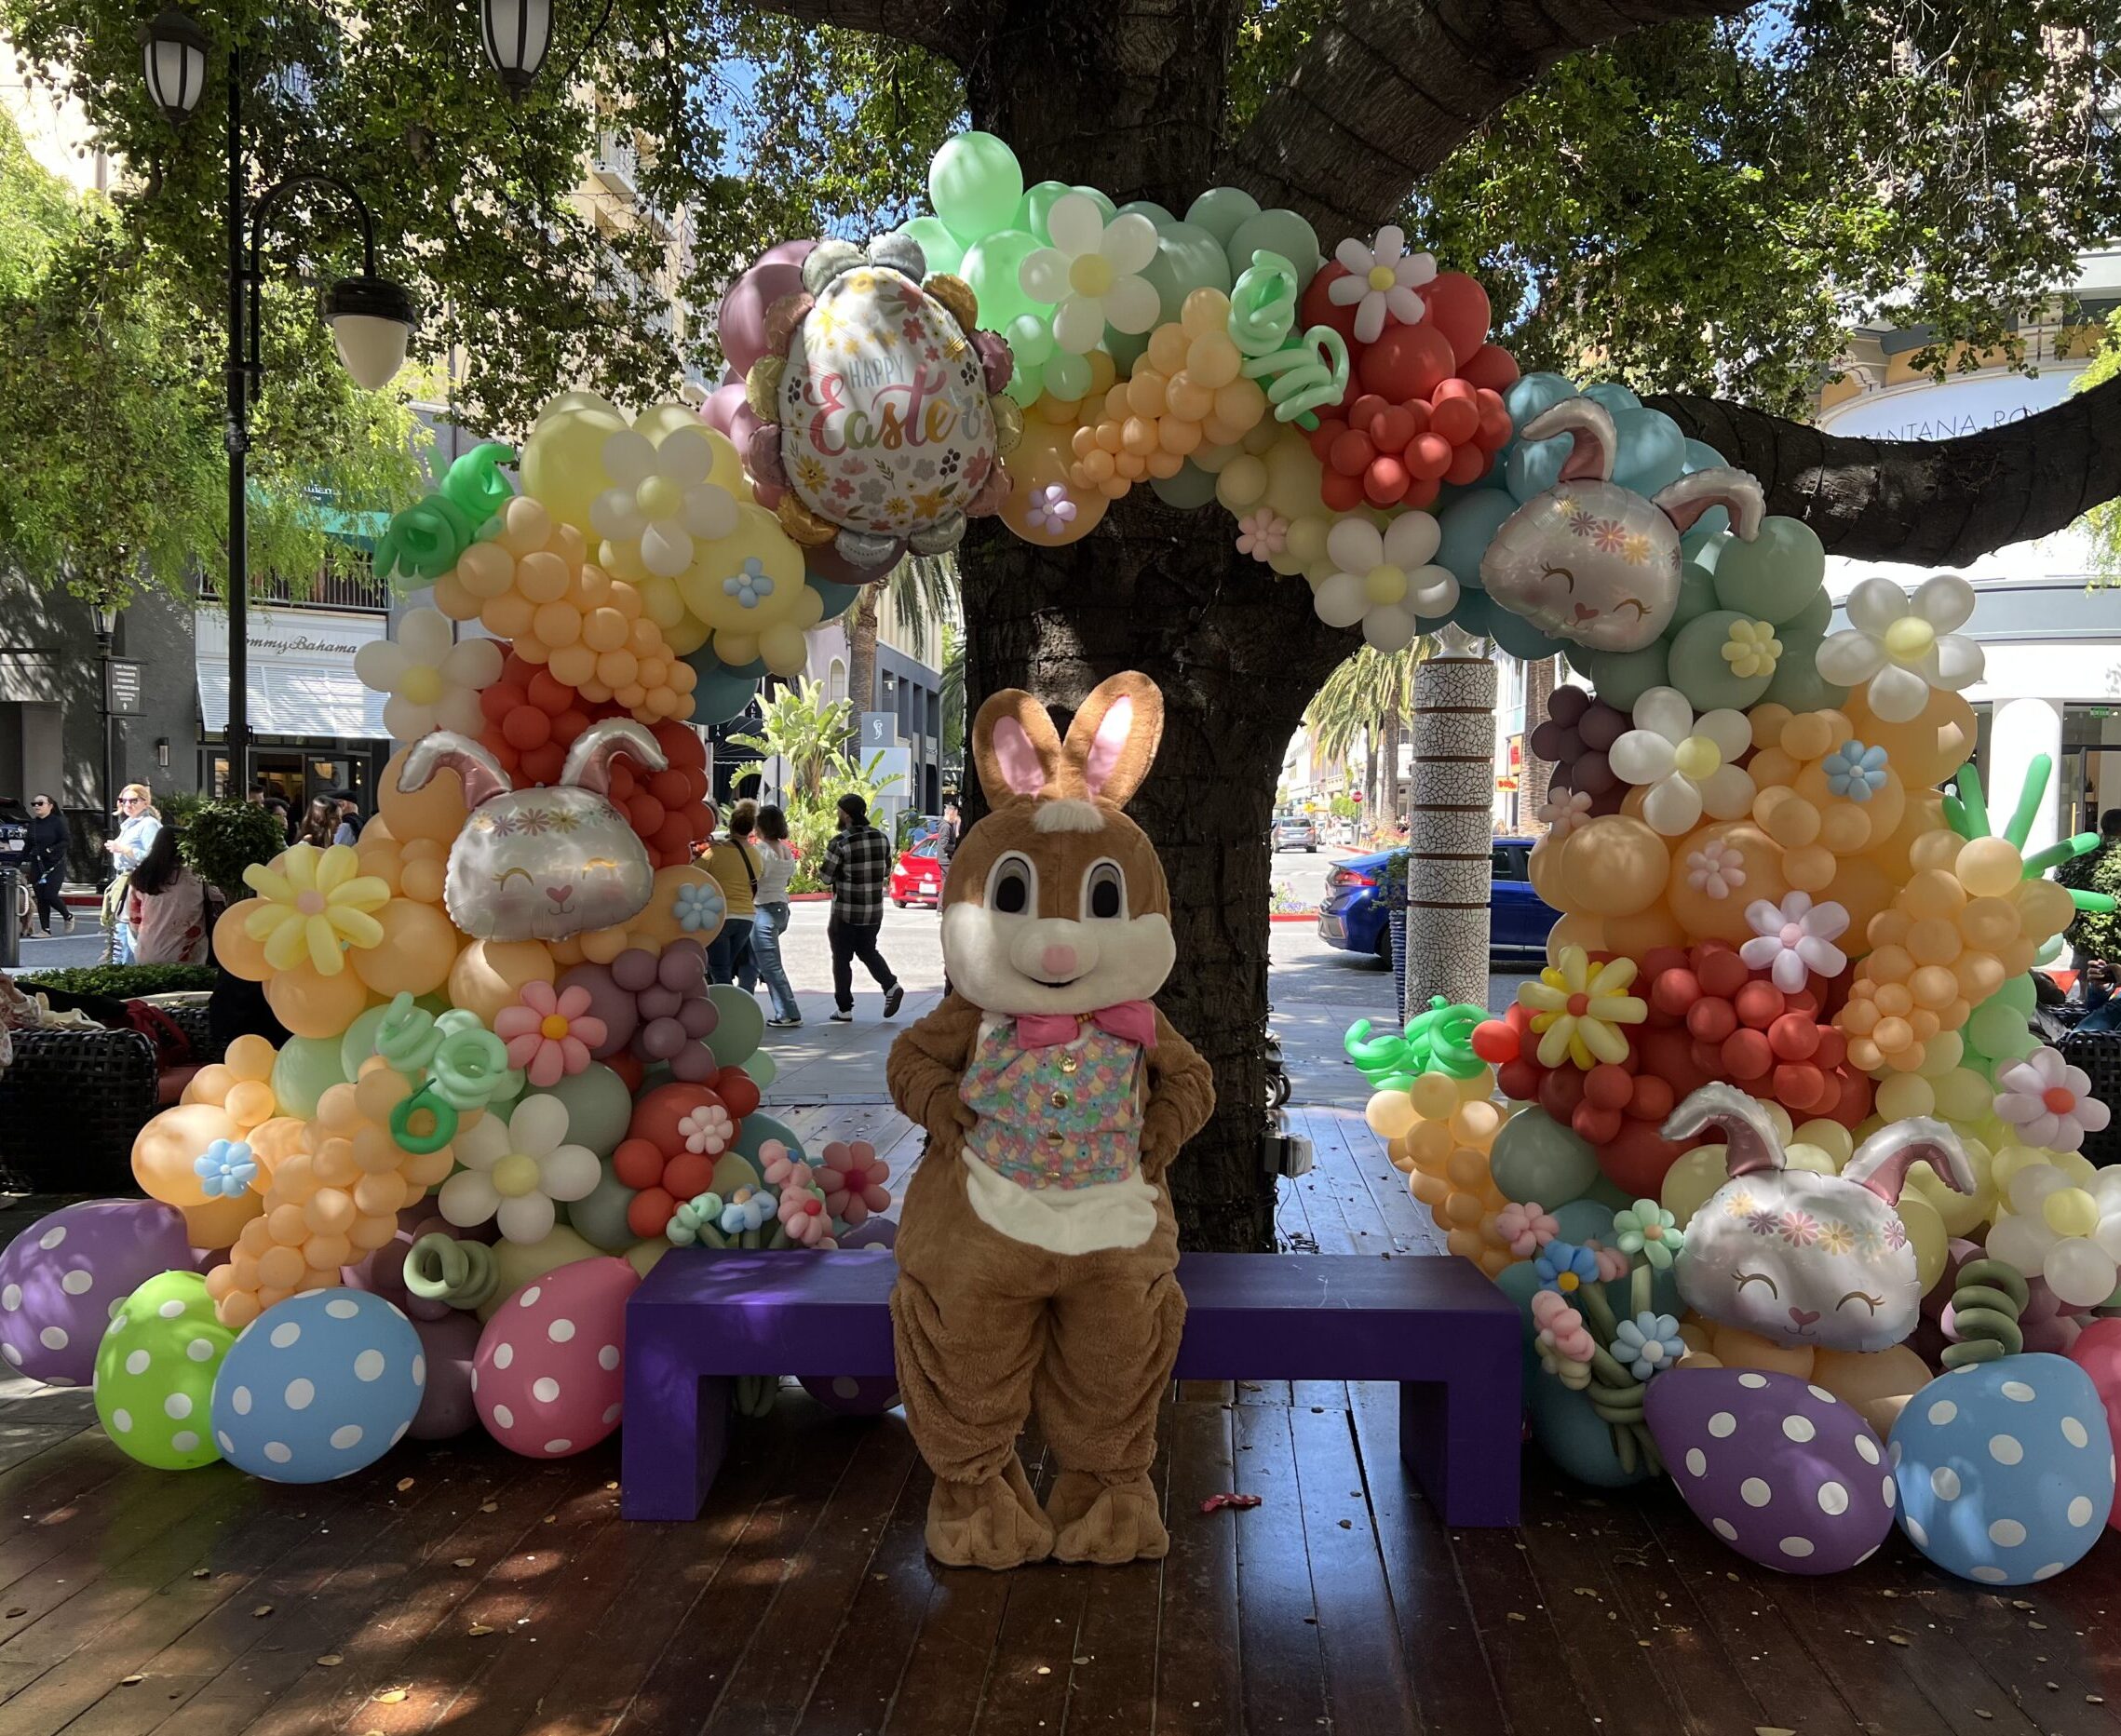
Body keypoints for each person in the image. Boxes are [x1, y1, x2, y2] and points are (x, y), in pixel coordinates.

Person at [820, 792, 902, 1022]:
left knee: (841, 959)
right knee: (867, 950)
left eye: (839, 811)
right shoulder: (881, 839)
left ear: (846, 815)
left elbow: (826, 877)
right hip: (873, 911)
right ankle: (890, 985)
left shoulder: (840, 842)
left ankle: (844, 1008)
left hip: (845, 912)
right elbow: (886, 871)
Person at [748, 804, 802, 1027]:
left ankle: (788, 1013)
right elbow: (788, 880)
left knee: (770, 966)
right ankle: (747, 1004)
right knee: (756, 961)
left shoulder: (761, 851)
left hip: (763, 910)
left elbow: (754, 880)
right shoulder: (786, 850)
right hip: (781, 908)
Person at [126, 825, 210, 964]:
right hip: (187, 954)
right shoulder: (198, 877)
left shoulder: (141, 876)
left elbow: (134, 920)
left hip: (148, 951)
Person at [702, 799, 762, 985]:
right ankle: (731, 998)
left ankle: (726, 1002)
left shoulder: (715, 853)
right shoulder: (756, 855)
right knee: (726, 966)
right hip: (746, 918)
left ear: (731, 825)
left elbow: (693, 873)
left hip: (720, 917)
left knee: (719, 970)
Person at [104, 783, 161, 963]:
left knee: (129, 930)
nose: (128, 805)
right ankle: (121, 967)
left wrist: (125, 850)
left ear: (145, 802)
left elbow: (154, 857)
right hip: (125, 880)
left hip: (136, 881)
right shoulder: (129, 824)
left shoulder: (149, 824)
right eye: (124, 801)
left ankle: (126, 969)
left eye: (133, 801)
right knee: (121, 929)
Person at [24, 794, 73, 935]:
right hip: (37, 864)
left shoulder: (58, 822)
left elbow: (66, 841)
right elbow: (27, 846)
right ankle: (45, 929)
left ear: (50, 806)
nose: (36, 806)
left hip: (54, 864)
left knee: (50, 895)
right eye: (34, 804)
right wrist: (16, 863)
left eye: (40, 803)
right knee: (41, 897)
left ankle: (68, 916)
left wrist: (51, 849)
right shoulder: (33, 824)